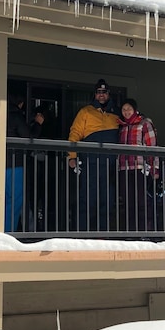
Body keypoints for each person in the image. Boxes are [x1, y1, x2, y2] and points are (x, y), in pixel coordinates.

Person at [67, 79, 120, 231]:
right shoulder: (85, 111)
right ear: (95, 94)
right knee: (88, 198)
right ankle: (83, 232)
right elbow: (75, 133)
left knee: (107, 199)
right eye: (98, 92)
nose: (101, 95)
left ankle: (102, 233)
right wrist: (72, 156)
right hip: (90, 162)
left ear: (108, 94)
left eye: (104, 92)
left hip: (110, 164)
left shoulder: (116, 113)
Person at [118, 98, 159, 235]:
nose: (126, 112)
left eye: (129, 109)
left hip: (140, 168)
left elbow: (152, 146)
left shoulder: (144, 123)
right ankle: (130, 233)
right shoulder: (122, 126)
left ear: (135, 110)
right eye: (124, 109)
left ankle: (144, 232)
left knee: (142, 202)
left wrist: (155, 167)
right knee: (128, 202)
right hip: (124, 168)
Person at [5, 93, 44, 232]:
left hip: (0, 163)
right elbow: (29, 138)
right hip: (16, 164)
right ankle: (8, 232)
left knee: (4, 199)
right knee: (15, 200)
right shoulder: (16, 116)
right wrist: (38, 124)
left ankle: (2, 231)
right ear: (20, 104)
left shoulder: (1, 114)